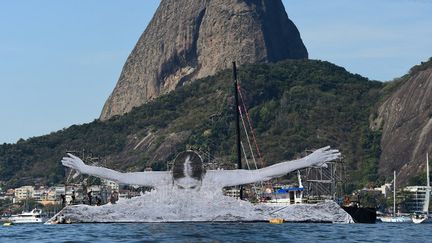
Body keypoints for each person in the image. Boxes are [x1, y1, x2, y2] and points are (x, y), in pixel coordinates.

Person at [61, 146, 340, 192]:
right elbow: (119, 176)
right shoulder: (161, 181)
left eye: (192, 184)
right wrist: (85, 169)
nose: (187, 189)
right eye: (183, 184)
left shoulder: (216, 179)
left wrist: (306, 161)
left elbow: (264, 173)